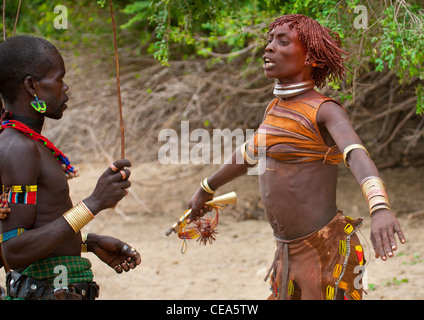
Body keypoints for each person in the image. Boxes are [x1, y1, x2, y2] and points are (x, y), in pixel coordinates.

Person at [187, 14, 406, 300]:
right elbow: (247, 155)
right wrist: (206, 189)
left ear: (310, 58)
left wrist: (379, 208)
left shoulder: (325, 110)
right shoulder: (274, 109)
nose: (268, 48)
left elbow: (355, 154)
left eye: (282, 42)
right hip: (286, 251)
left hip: (326, 250)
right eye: (269, 41)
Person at [0, 36, 141, 300]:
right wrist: (94, 203)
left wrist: (88, 241)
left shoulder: (28, 143)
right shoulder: (19, 148)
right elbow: (14, 250)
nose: (65, 87)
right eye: (59, 78)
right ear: (31, 85)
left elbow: (33, 229)